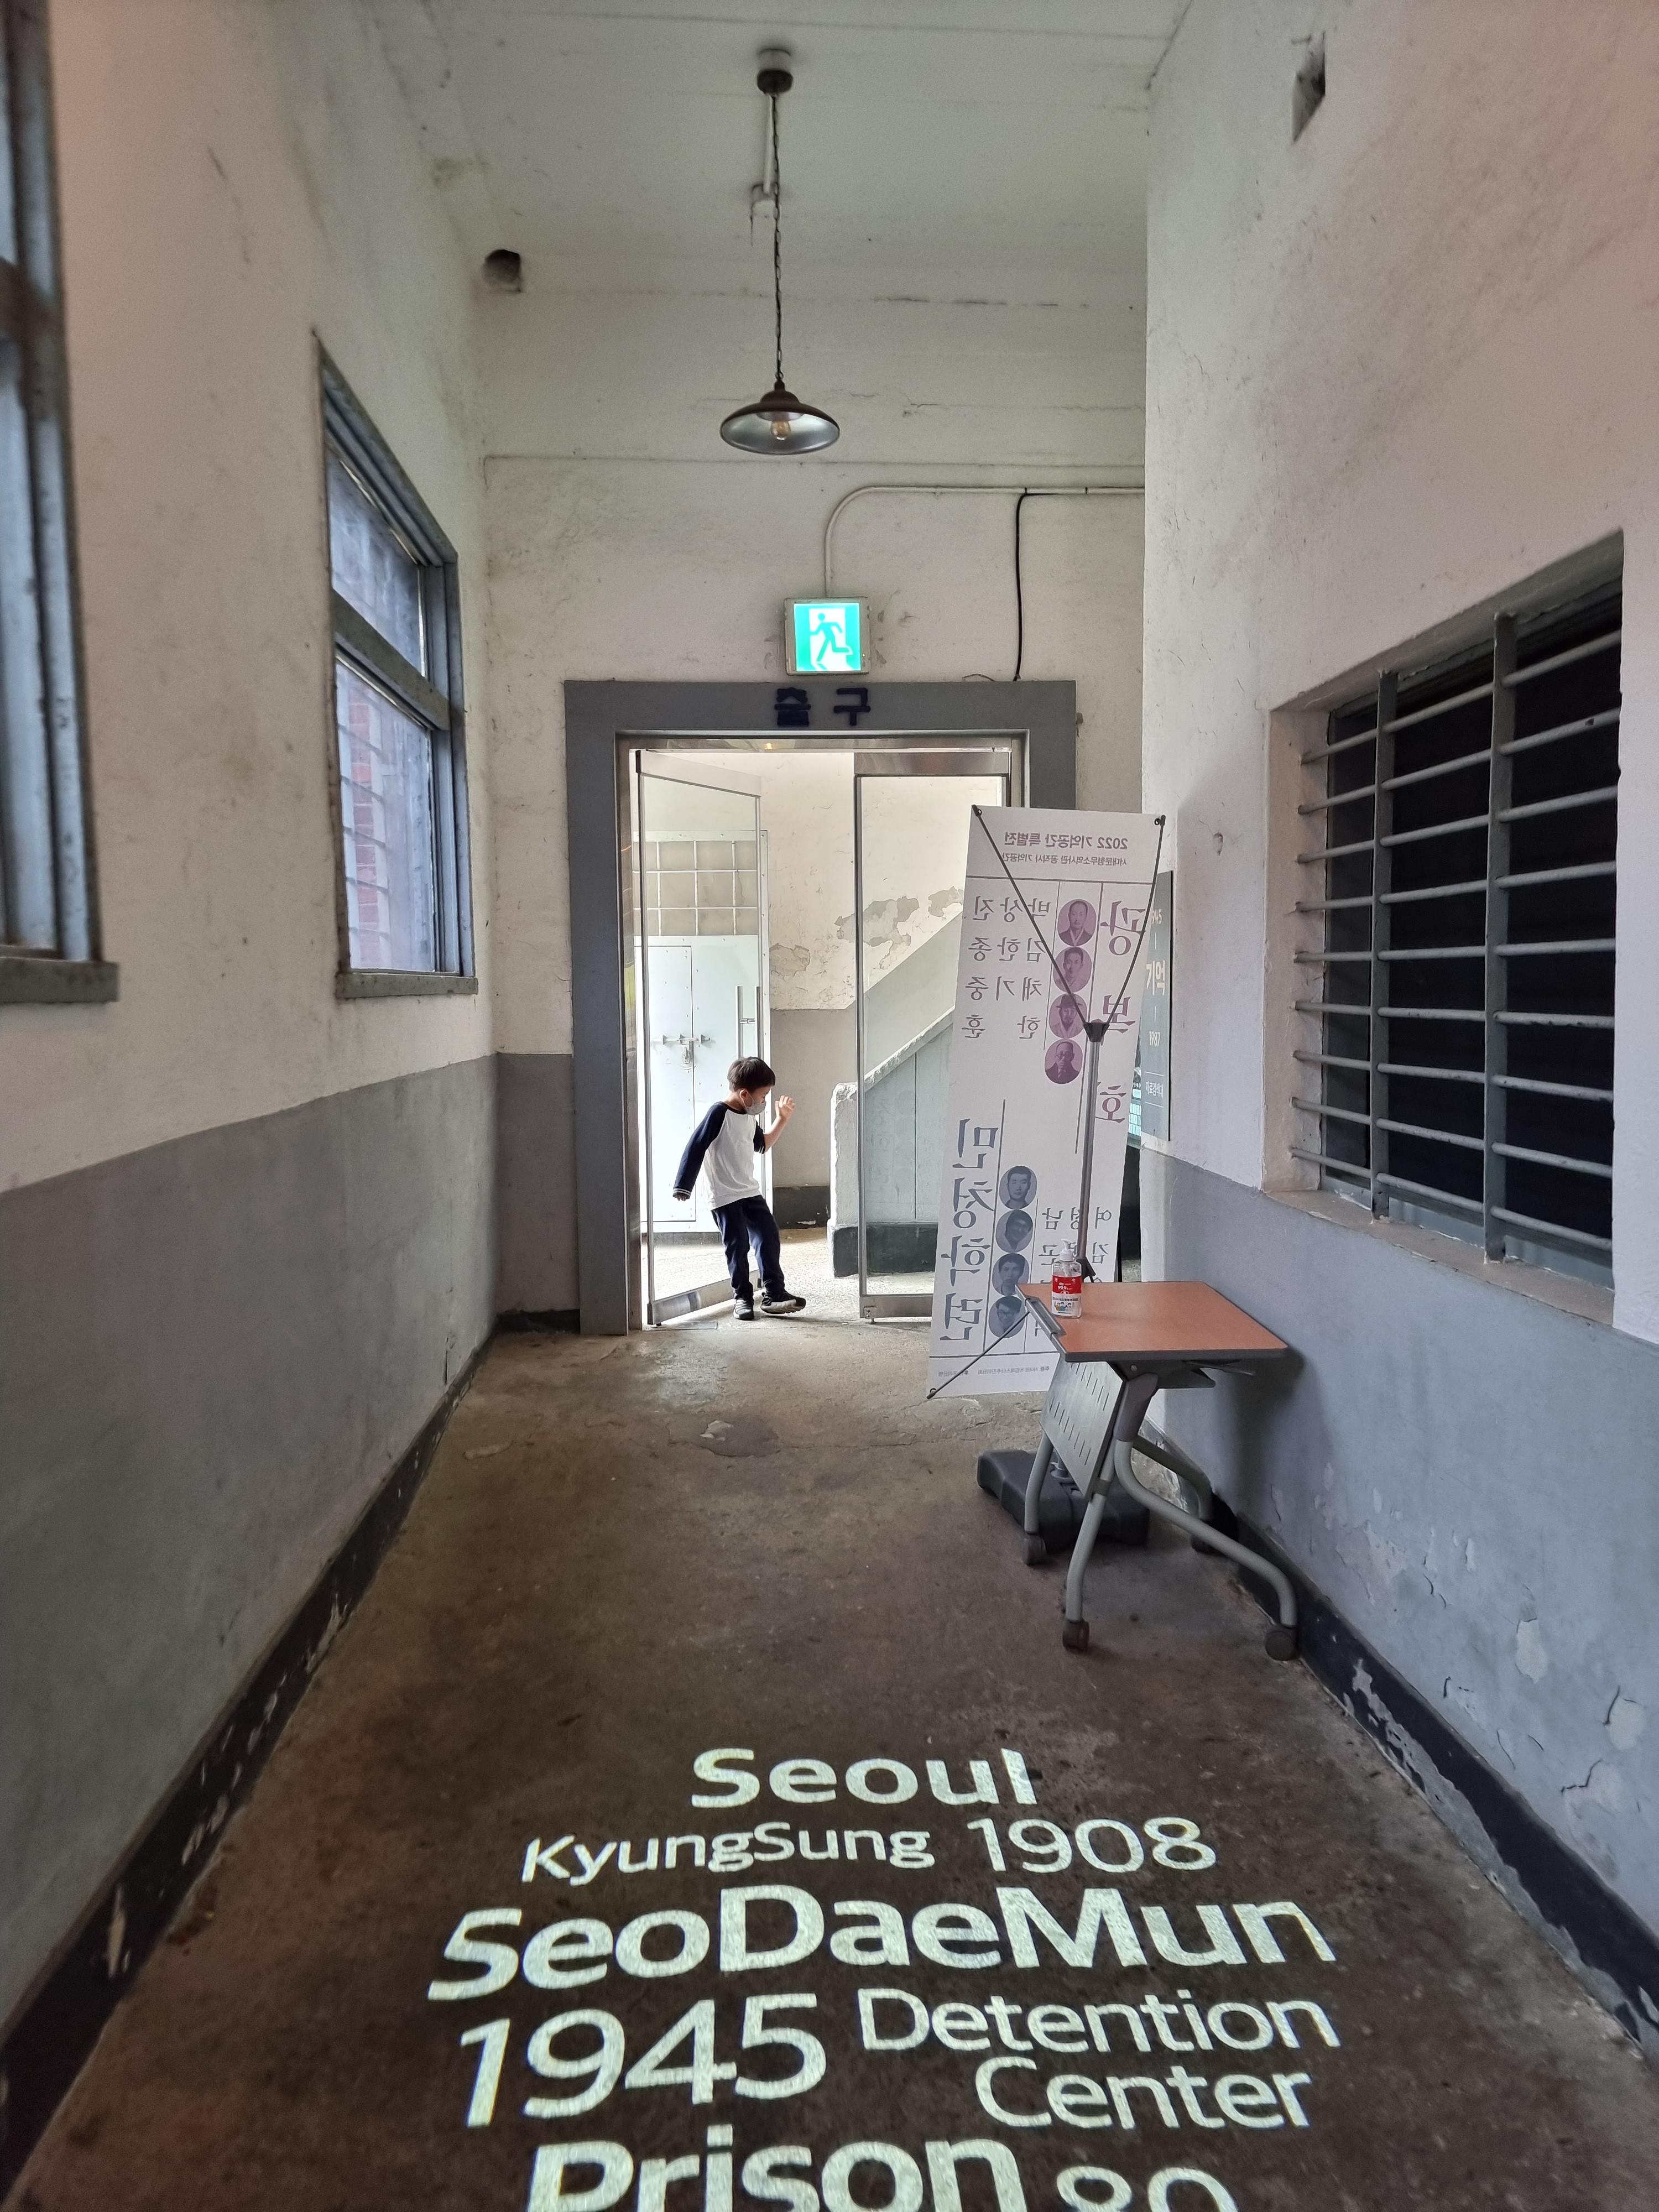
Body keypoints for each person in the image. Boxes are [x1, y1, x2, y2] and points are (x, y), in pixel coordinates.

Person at [672, 1057, 806, 1320]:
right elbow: (696, 1146)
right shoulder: (719, 1114)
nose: (764, 1101)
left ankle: (774, 1294)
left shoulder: (747, 1117)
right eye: (763, 1096)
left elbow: (763, 1144)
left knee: (768, 1235)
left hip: (749, 1191)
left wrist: (782, 1119)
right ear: (745, 1094)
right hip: (724, 1195)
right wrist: (683, 1186)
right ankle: (742, 1298)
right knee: (738, 1246)